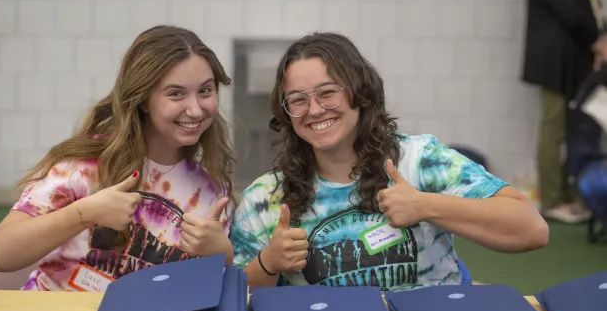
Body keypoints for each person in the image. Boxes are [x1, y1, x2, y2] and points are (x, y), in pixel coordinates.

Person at [230, 32, 549, 291]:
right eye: (298, 100)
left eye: (327, 93)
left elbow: (532, 230)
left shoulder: (419, 161)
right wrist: (268, 263)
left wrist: (427, 206)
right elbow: (236, 298)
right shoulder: (266, 199)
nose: (314, 110)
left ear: (359, 91)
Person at [0, 25, 236, 291]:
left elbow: (207, 293)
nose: (196, 109)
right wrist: (84, 214)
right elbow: (0, 255)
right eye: (175, 93)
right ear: (142, 100)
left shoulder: (212, 191)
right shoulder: (83, 167)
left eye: (205, 91)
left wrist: (223, 255)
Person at [522, 0, 607, 223]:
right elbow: (572, 14)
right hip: (554, 65)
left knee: (569, 131)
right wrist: (596, 41)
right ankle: (551, 199)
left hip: (572, 63)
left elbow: (590, 8)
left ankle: (568, 193)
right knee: (553, 128)